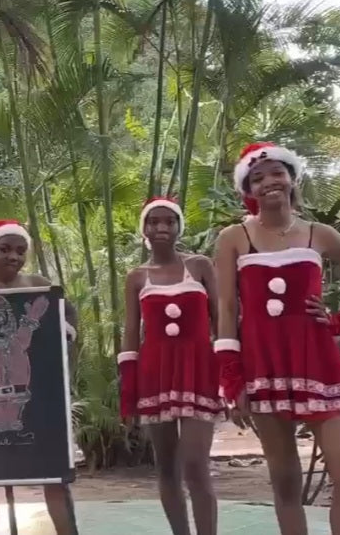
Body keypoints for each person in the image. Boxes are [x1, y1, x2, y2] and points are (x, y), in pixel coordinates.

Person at [213, 142, 340, 535]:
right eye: (258, 178)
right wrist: (231, 376)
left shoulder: (319, 234)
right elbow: (226, 308)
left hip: (318, 360)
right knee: (285, 479)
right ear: (248, 190)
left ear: (292, 178)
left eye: (277, 173)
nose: (269, 182)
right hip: (262, 363)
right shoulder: (233, 237)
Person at [0, 220, 79, 535]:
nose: (13, 256)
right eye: (5, 249)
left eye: (20, 250)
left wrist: (63, 335)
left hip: (37, 393)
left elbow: (67, 316)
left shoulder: (40, 284)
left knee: (53, 474)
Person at [119, 197, 221, 535]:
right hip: (155, 374)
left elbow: (220, 321)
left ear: (179, 227)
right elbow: (131, 334)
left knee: (195, 465)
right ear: (144, 229)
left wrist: (229, 373)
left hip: (198, 370)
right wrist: (128, 391)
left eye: (169, 221)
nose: (161, 227)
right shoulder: (137, 277)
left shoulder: (200, 266)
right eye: (154, 222)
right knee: (166, 468)